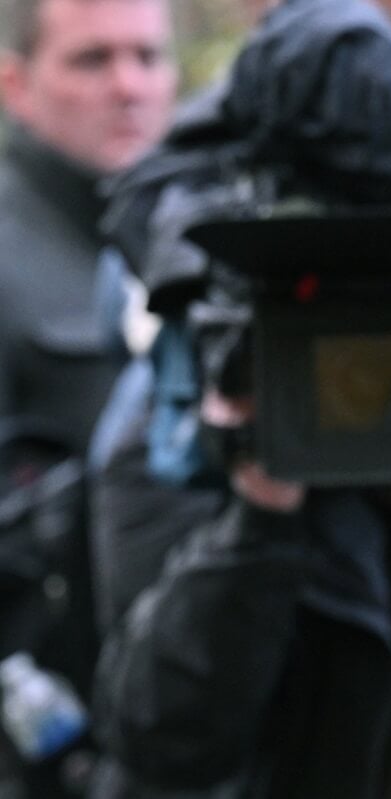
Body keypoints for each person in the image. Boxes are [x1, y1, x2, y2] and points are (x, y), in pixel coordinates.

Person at [85, 2, 391, 797]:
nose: (359, 356)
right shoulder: (177, 430)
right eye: (311, 312)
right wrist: (259, 512)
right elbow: (158, 740)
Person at [0, 0, 175, 795]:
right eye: (91, 60)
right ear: (16, 83)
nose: (129, 85)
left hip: (194, 702)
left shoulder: (198, 235)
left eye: (147, 56)